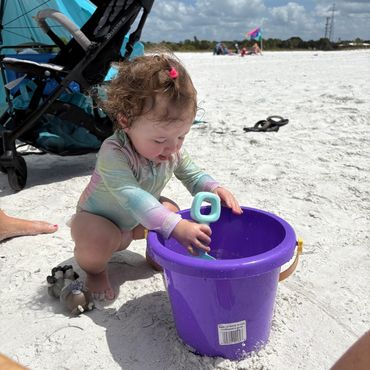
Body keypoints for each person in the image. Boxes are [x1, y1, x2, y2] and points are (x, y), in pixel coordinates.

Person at [70, 52, 243, 300]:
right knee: (97, 240)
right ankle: (95, 271)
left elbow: (193, 175)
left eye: (181, 136)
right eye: (160, 139)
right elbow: (133, 197)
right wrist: (175, 227)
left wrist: (214, 189)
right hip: (98, 219)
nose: (172, 147)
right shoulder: (114, 152)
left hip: (137, 221)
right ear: (126, 122)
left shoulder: (170, 150)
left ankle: (156, 253)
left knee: (171, 209)